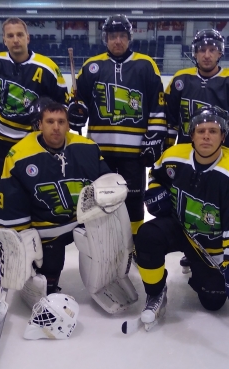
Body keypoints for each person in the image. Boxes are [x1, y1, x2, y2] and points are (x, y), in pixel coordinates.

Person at [0, 101, 137, 313]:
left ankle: (106, 280)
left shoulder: (87, 148)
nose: (56, 127)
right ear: (40, 125)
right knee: (49, 272)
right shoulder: (20, 156)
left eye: (61, 122)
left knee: (109, 240)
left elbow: (107, 183)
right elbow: (11, 204)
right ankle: (42, 280)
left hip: (83, 220)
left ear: (68, 125)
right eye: (50, 121)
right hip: (46, 228)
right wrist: (20, 245)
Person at [136, 108, 229, 331]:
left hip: (210, 244)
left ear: (223, 136)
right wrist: (155, 190)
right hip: (179, 226)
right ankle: (155, 293)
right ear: (192, 135)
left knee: (213, 302)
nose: (206, 136)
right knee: (147, 236)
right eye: (201, 131)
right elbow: (155, 175)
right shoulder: (174, 155)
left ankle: (196, 264)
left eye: (213, 131)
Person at [73, 14, 167, 236]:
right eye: (113, 36)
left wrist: (154, 138)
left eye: (122, 36)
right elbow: (78, 102)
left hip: (134, 153)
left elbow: (157, 105)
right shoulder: (91, 65)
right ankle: (101, 241)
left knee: (133, 200)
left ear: (129, 38)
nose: (117, 41)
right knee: (99, 199)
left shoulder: (146, 65)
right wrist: (76, 111)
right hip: (99, 152)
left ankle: (133, 243)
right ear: (105, 38)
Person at [0, 17, 69, 189]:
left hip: (36, 142)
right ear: (4, 40)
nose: (15, 40)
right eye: (10, 36)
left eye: (20, 35)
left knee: (37, 192)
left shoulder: (48, 68)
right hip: (1, 142)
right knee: (2, 191)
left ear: (27, 38)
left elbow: (63, 106)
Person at [165, 29, 229, 169]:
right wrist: (166, 148)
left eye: (212, 50)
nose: (207, 55)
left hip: (224, 158)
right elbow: (170, 120)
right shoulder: (180, 80)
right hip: (186, 158)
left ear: (220, 53)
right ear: (195, 53)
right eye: (202, 50)